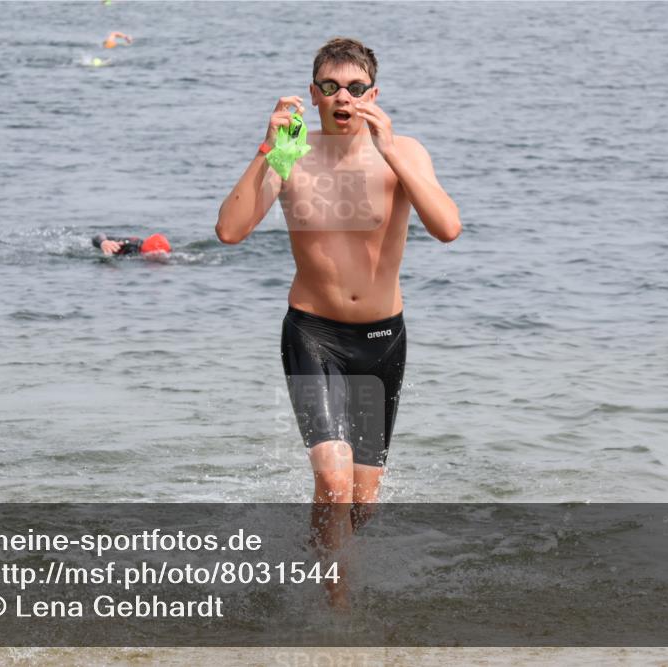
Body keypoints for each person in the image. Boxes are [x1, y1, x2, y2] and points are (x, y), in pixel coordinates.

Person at [216, 37, 461, 610]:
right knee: (333, 480)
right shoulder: (291, 154)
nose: (342, 97)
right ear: (313, 94)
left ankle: (312, 563)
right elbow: (229, 231)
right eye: (330, 87)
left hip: (381, 341)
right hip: (313, 333)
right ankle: (337, 619)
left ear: (373, 94)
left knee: (360, 504)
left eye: (354, 87)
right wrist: (268, 149)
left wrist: (392, 151)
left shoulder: (404, 151)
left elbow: (447, 228)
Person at [92, 232, 171, 257]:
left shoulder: (167, 258)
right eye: (154, 256)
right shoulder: (130, 245)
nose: (158, 258)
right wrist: (103, 242)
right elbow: (96, 237)